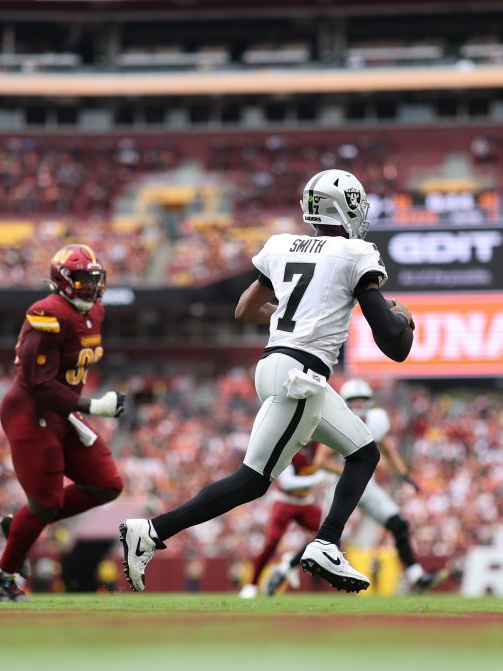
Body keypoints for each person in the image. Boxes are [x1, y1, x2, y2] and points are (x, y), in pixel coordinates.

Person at [120, 169, 414, 594]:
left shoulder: (282, 244)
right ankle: (150, 531)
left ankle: (326, 542)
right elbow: (393, 343)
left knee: (364, 451)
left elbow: (245, 309)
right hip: (302, 374)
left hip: (281, 364)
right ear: (345, 205)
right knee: (252, 480)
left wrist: (293, 317)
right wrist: (405, 319)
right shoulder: (355, 253)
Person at [0, 244, 127, 602]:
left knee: (107, 483)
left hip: (60, 411)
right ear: (62, 281)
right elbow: (39, 384)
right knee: (45, 503)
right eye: (81, 279)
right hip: (31, 413)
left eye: (94, 278)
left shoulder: (95, 310)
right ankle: (1, 576)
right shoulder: (45, 313)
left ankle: (18, 525)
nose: (91, 286)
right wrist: (94, 405)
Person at [307, 378, 446, 593]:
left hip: (366, 483)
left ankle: (416, 575)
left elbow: (388, 449)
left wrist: (404, 475)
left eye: (362, 401)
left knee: (398, 523)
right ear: (344, 402)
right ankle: (289, 568)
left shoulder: (376, 422)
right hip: (340, 482)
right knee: (327, 536)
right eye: (354, 401)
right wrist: (351, 472)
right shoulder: (339, 422)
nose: (358, 405)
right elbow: (320, 461)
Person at [240, 443, 326, 599]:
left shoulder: (320, 448)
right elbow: (288, 483)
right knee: (271, 543)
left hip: (305, 502)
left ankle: (290, 564)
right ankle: (251, 584)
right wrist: (317, 478)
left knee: (329, 532)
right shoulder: (291, 448)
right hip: (285, 501)